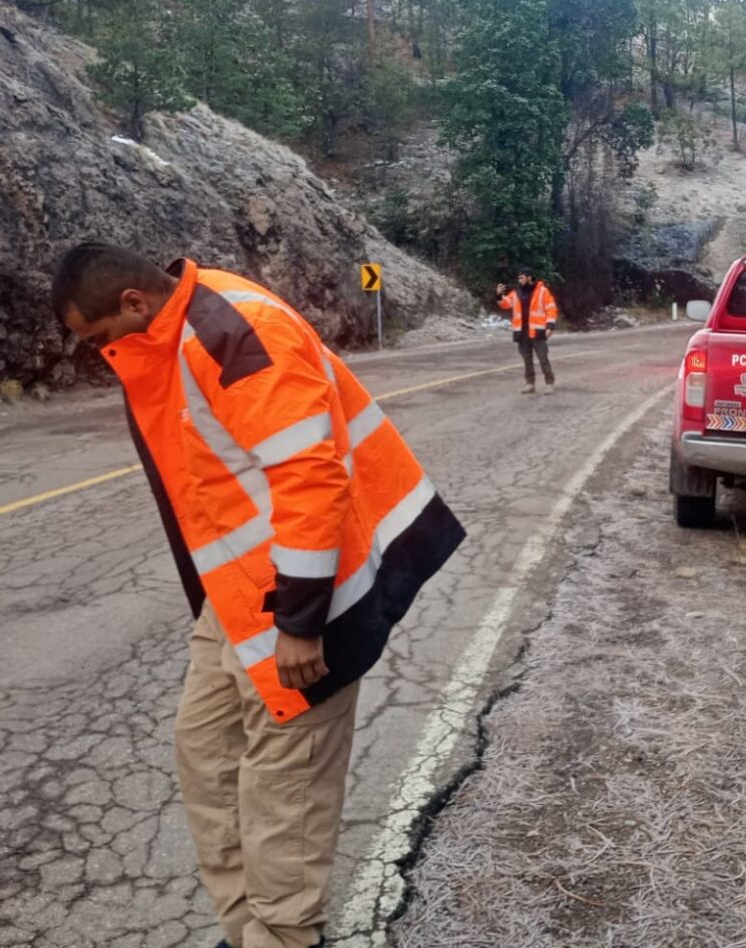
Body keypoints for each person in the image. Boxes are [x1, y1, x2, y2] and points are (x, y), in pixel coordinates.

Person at [50, 243, 465, 948]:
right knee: (205, 752)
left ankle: (283, 936)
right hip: (242, 593)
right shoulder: (179, 331)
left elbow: (310, 476)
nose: (99, 355)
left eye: (97, 339)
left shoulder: (233, 330)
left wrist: (300, 624)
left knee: (284, 788)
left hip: (306, 595)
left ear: (132, 303)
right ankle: (249, 933)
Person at [495, 267, 558, 394]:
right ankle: (530, 384)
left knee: (542, 358)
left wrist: (550, 326)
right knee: (527, 360)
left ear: (529, 277)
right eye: (519, 278)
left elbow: (551, 309)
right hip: (522, 332)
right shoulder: (517, 293)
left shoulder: (542, 291)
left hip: (537, 331)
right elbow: (505, 304)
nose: (520, 280)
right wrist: (498, 295)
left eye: (522, 277)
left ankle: (549, 383)